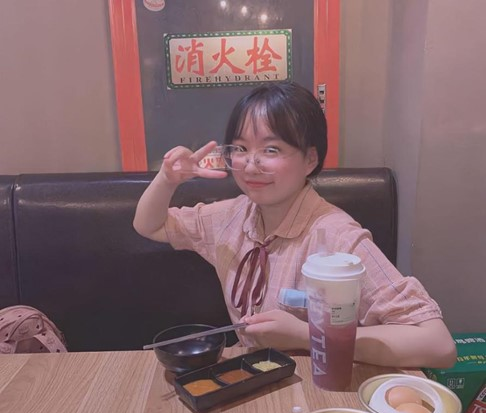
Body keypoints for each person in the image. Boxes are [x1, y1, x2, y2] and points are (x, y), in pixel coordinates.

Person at [133, 81, 456, 369]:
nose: (251, 165)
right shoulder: (232, 215)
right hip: (252, 376)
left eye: (271, 149)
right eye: (241, 148)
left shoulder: (336, 236)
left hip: (320, 384)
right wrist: (167, 179)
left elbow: (437, 345)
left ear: (310, 160)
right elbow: (150, 226)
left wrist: (306, 334)